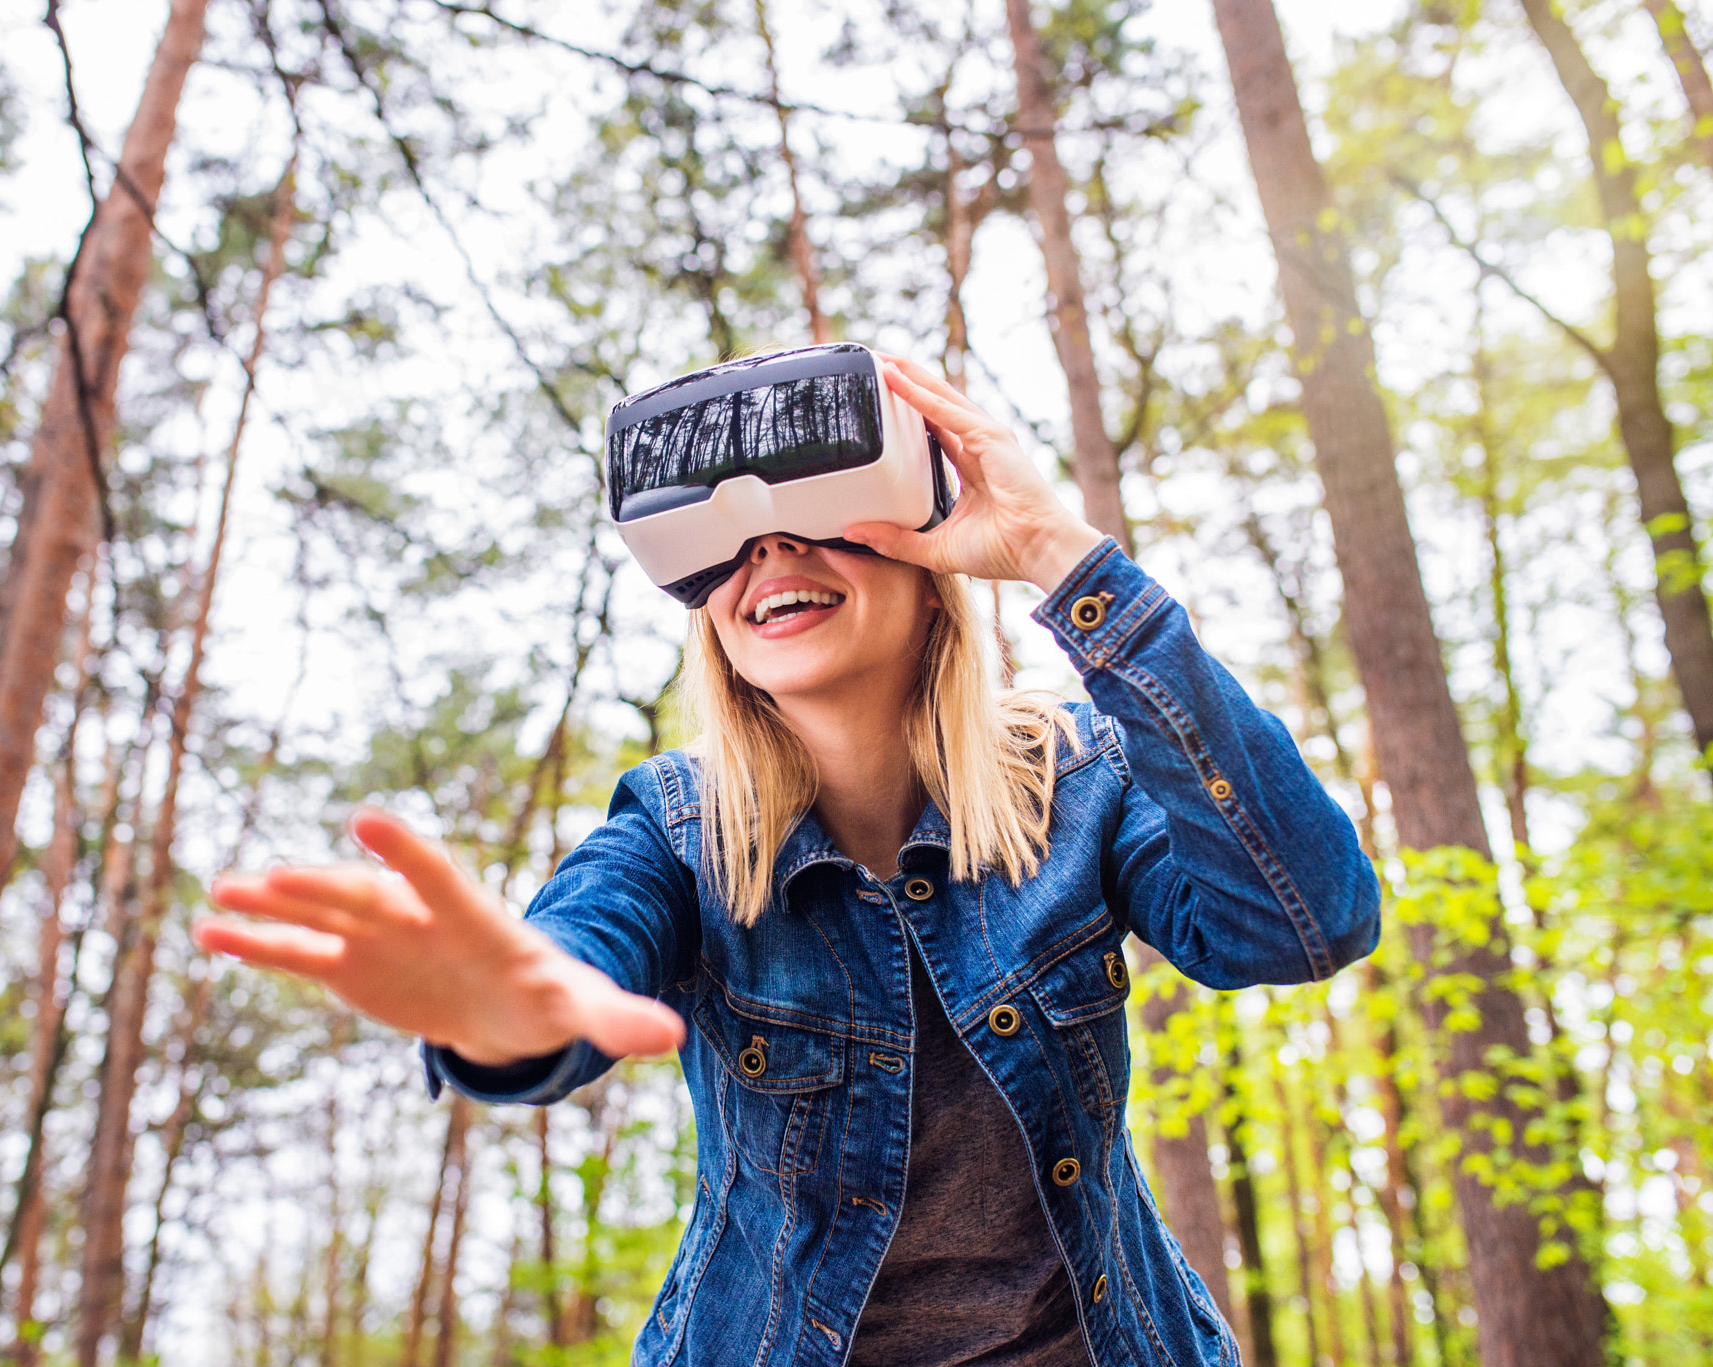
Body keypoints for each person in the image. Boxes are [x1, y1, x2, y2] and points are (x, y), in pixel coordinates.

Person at [195, 355, 1381, 1367]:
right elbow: (566, 968)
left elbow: (1301, 919)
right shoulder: (671, 830)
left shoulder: (1079, 781)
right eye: (723, 543)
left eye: (814, 517)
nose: (764, 548)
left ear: (926, 571)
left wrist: (1061, 557)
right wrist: (504, 1010)